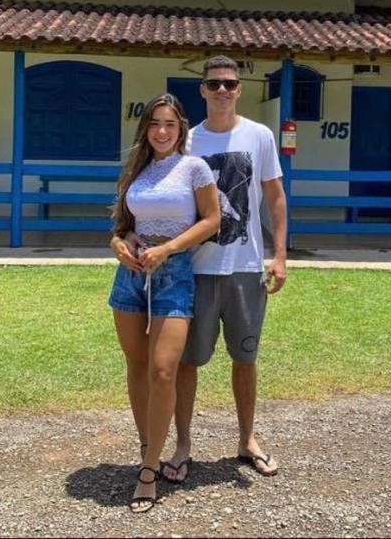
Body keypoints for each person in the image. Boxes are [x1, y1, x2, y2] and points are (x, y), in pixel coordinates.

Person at [165, 54, 288, 480]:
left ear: (240, 89)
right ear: (201, 90)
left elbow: (274, 197)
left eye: (230, 84)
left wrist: (280, 255)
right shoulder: (188, 141)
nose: (222, 90)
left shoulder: (260, 136)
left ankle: (247, 438)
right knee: (187, 360)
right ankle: (182, 444)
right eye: (214, 84)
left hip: (245, 264)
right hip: (195, 268)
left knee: (245, 357)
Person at [108, 93, 219, 513]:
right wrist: (120, 243)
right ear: (145, 128)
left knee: (162, 370)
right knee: (136, 365)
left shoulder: (194, 167)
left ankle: (149, 470)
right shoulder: (137, 170)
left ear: (181, 128)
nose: (161, 131)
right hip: (132, 275)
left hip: (174, 274)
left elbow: (212, 220)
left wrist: (168, 248)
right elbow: (122, 226)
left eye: (169, 124)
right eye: (155, 123)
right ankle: (147, 446)